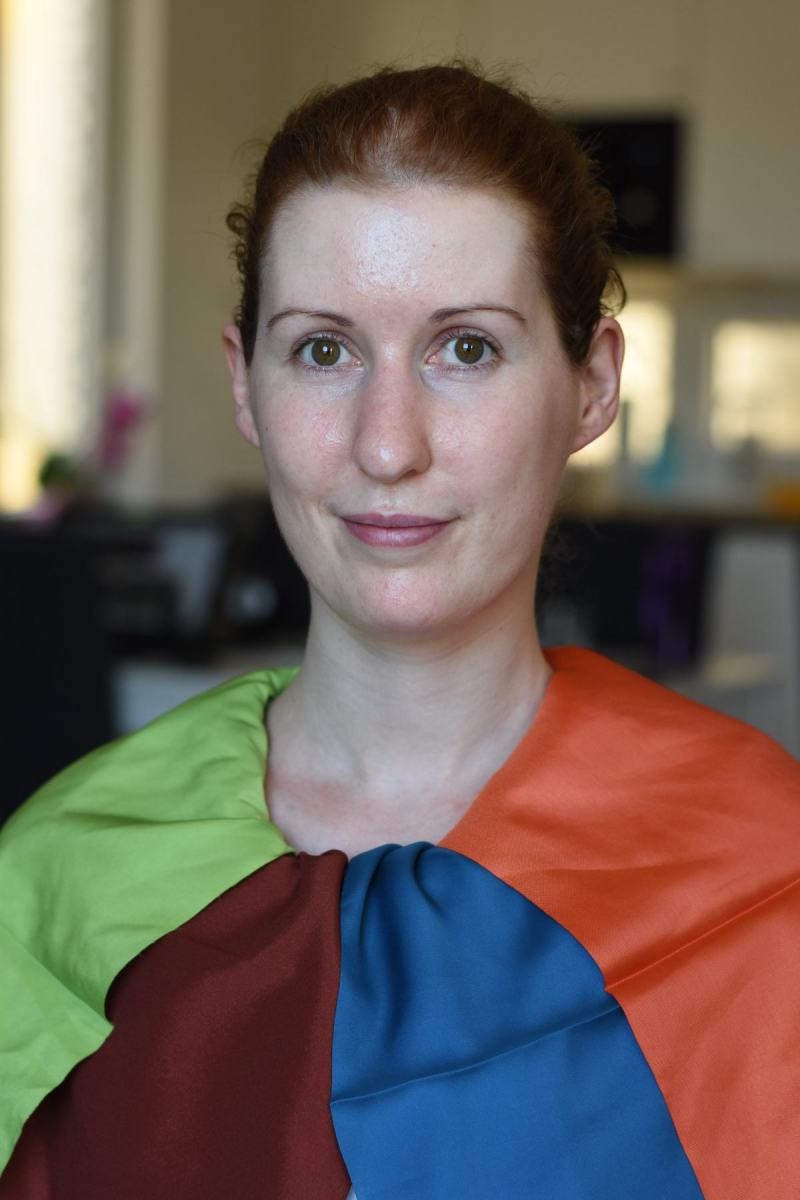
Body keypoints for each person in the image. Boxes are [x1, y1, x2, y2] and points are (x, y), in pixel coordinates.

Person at [1, 62, 798, 1200]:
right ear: (245, 385)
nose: (387, 445)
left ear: (590, 383)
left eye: (464, 348)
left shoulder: (768, 863)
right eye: (323, 350)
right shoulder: (56, 877)